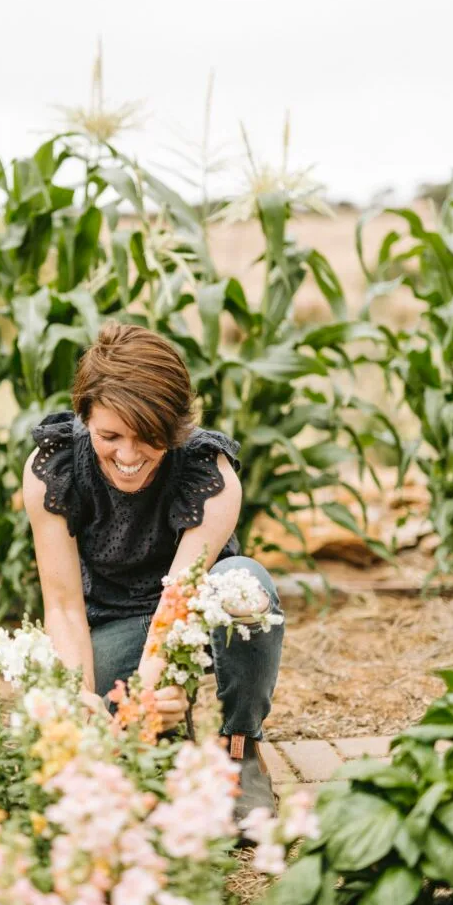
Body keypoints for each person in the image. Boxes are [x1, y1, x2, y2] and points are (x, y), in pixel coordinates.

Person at [23, 321, 284, 818]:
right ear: (84, 418)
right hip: (112, 623)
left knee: (245, 588)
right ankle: (173, 729)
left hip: (200, 617)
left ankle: (239, 751)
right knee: (90, 724)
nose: (127, 455)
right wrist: (80, 696)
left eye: (149, 438)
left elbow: (179, 598)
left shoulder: (210, 473)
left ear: (177, 427)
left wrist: (145, 690)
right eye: (109, 435)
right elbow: (61, 605)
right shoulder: (53, 468)